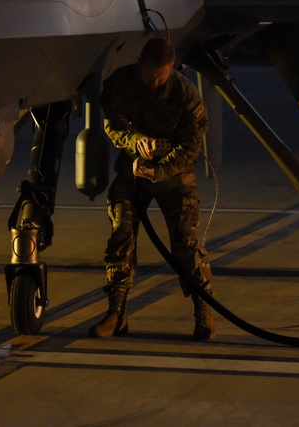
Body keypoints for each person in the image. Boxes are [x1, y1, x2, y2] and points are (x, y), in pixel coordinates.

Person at [89, 37, 215, 340]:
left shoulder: (185, 93)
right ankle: (116, 314)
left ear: (171, 69)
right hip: (133, 171)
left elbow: (190, 147)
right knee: (121, 233)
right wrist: (134, 141)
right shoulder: (120, 83)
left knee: (185, 244)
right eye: (150, 76)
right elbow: (113, 124)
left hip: (174, 175)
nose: (155, 82)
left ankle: (204, 312)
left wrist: (158, 170)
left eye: (162, 76)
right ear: (139, 63)